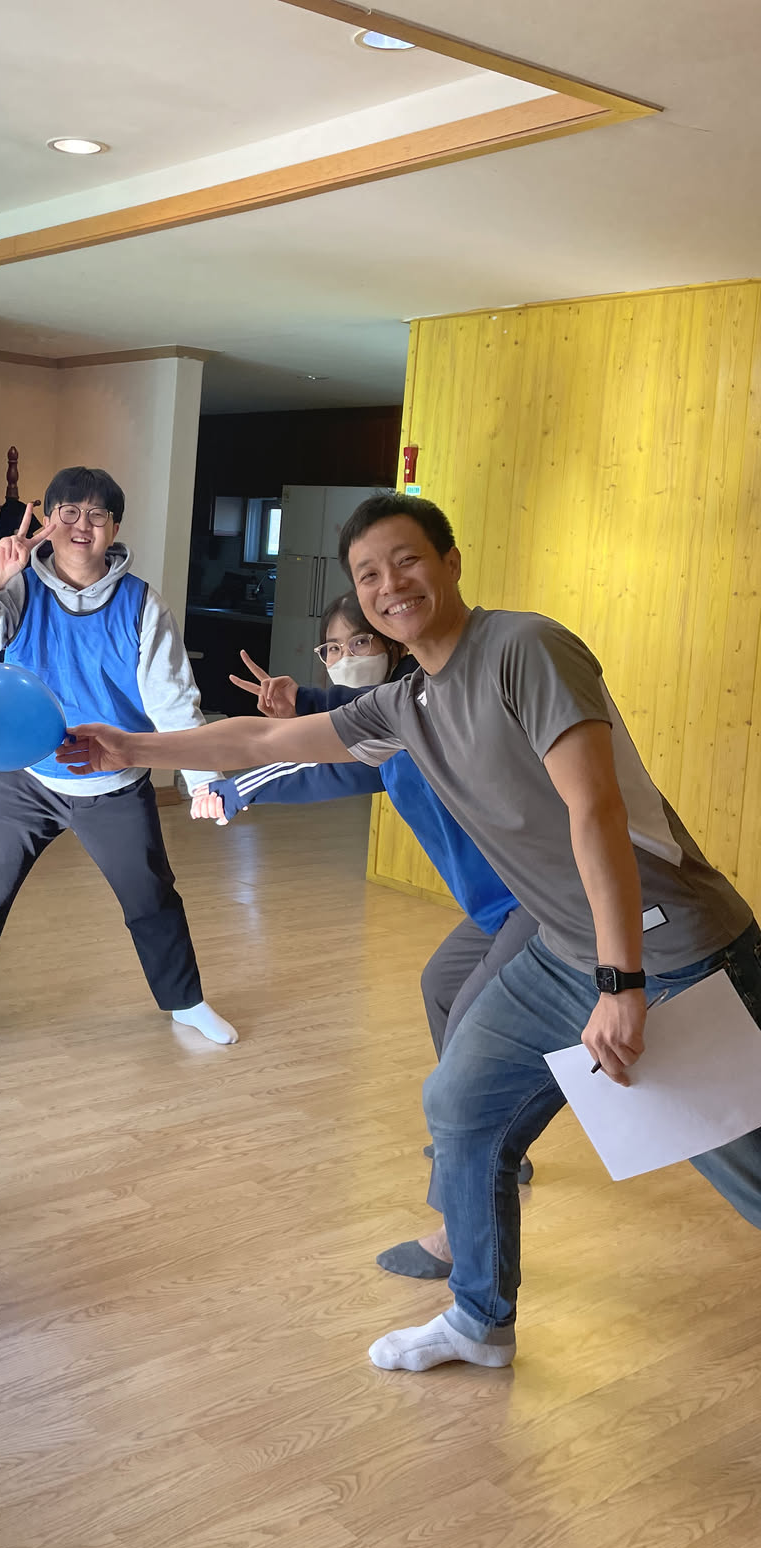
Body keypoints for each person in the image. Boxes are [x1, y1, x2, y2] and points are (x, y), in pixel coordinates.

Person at [58, 490, 761, 1373]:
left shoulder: (525, 649)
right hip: (564, 947)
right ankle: (479, 1321)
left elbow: (597, 812)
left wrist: (622, 983)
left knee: (744, 1166)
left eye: (407, 560)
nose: (389, 585)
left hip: (672, 948)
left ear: (450, 563)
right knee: (462, 1103)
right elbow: (263, 742)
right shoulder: (406, 706)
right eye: (368, 575)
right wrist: (132, 748)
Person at [194, 592, 538, 1278]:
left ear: (394, 641)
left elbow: (330, 752)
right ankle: (498, 1139)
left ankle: (460, 1225)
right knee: (444, 986)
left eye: (361, 643)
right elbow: (347, 734)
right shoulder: (394, 713)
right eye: (334, 648)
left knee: (468, 1062)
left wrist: (236, 787)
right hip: (501, 907)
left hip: (539, 901)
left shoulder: (424, 709)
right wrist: (305, 703)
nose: (348, 657)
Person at [0, 466, 236, 1067]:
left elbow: (173, 699)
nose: (82, 525)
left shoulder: (143, 603)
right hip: (26, 777)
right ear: (49, 521)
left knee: (150, 899)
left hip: (112, 781)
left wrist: (203, 781)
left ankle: (186, 1002)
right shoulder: (19, 587)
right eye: (69, 512)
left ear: (115, 526)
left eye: (97, 514)